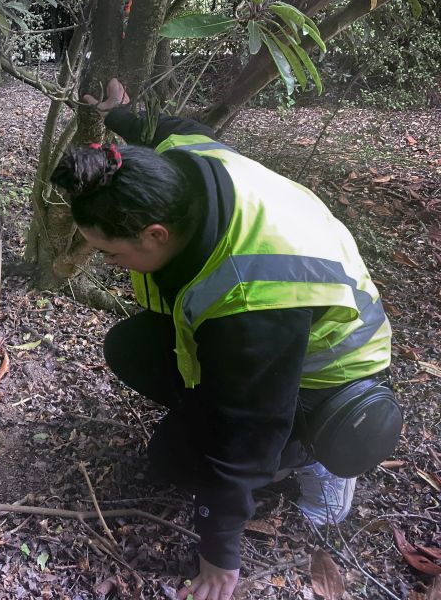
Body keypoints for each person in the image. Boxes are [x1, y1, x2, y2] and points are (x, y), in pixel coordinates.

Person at [51, 79, 402, 600]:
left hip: (324, 375)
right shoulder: (180, 164)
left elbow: (249, 425)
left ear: (155, 236)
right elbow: (175, 130)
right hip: (260, 341)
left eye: (111, 253)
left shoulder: (251, 297)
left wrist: (220, 555)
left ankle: (315, 456)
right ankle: (226, 431)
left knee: (190, 463)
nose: (107, 264)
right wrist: (124, 114)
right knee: (131, 351)